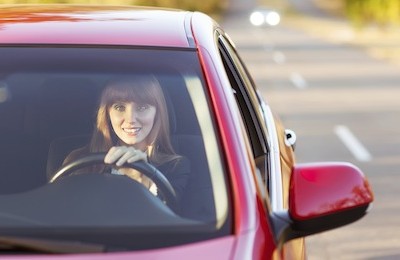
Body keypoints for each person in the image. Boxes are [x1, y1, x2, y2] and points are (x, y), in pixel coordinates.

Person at [61, 75, 189, 206]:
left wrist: (142, 180)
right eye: (119, 107)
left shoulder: (175, 167)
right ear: (107, 114)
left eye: (143, 108)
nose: (131, 119)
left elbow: (170, 221)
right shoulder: (78, 161)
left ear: (157, 113)